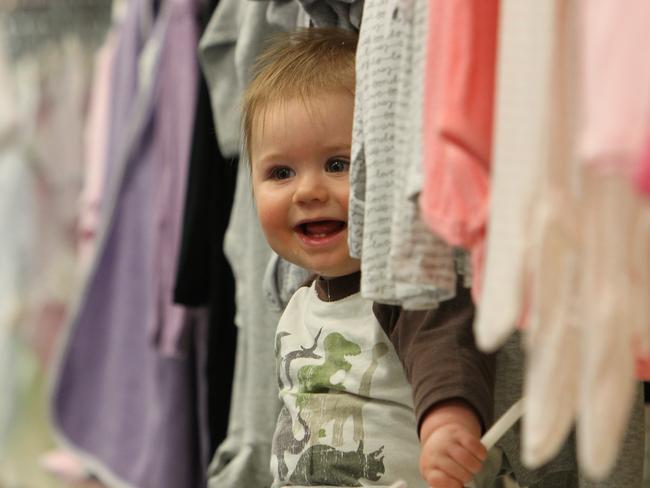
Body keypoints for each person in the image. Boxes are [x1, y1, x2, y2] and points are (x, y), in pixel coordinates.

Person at [242, 27, 495, 488]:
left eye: (338, 164)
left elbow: (448, 357)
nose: (309, 191)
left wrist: (447, 426)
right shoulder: (298, 304)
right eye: (281, 172)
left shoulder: (405, 286)